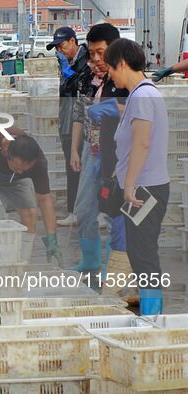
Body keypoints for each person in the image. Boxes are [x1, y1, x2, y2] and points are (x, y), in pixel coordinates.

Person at [103, 38, 170, 315]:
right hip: (144, 186)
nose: (109, 74)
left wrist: (129, 185)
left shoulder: (142, 95)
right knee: (140, 251)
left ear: (121, 62)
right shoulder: (141, 94)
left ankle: (152, 316)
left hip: (144, 189)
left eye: (110, 68)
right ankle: (150, 312)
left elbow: (142, 143)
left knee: (143, 254)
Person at [68, 24, 130, 277]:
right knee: (84, 209)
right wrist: (74, 150)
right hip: (90, 150)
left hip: (115, 152)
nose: (95, 59)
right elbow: (79, 115)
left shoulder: (123, 78)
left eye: (100, 52)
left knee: (114, 212)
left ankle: (113, 268)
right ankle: (91, 260)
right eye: (91, 53)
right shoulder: (86, 78)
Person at [0, 132, 63, 265]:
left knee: (30, 213)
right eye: (17, 167)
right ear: (7, 154)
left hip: (10, 178)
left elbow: (45, 200)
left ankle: (22, 264)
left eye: (24, 169)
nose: (20, 171)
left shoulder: (38, 163)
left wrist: (52, 238)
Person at [46, 27, 92, 226]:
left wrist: (68, 71)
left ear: (73, 41)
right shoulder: (67, 61)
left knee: (83, 167)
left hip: (82, 122)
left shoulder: (86, 60)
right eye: (56, 47)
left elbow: (80, 87)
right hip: (67, 120)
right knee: (71, 166)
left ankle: (82, 210)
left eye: (62, 45)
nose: (60, 50)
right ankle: (74, 210)